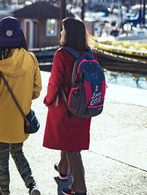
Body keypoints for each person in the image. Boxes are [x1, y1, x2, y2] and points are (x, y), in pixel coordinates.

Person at [0, 16, 42, 195]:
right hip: (20, 117)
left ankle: (4, 190)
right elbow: (37, 89)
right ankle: (31, 185)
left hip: (0, 118)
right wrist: (25, 98)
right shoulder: (30, 59)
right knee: (17, 152)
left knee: (1, 156)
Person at [43, 17, 94, 195]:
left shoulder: (62, 54)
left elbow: (54, 83)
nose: (61, 32)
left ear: (68, 33)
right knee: (71, 140)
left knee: (73, 149)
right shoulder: (89, 53)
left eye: (63, 29)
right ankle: (63, 170)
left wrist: (48, 100)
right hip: (85, 106)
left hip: (66, 107)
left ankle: (79, 188)